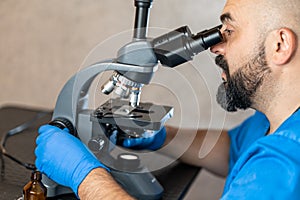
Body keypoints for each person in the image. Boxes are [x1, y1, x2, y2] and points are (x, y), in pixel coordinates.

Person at [35, 0, 300, 199]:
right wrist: (160, 137)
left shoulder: (282, 165)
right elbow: (231, 151)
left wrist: (83, 175)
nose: (215, 48)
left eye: (229, 31)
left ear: (279, 45)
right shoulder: (276, 120)